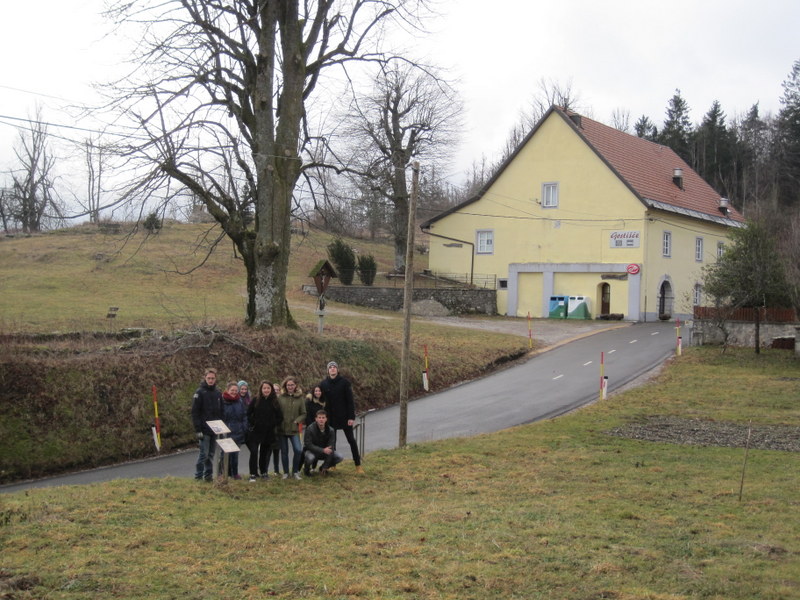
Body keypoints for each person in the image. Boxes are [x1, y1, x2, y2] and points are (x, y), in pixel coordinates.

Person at [319, 361, 364, 473]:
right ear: (328, 370)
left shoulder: (345, 382)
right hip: (331, 418)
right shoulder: (323, 384)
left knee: (351, 440)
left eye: (334, 367)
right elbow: (319, 397)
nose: (332, 368)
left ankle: (358, 465)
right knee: (332, 442)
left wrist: (351, 417)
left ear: (337, 370)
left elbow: (350, 401)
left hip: (344, 417)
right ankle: (332, 464)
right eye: (330, 367)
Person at [246, 381, 282, 482]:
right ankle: (253, 474)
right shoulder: (256, 400)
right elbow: (248, 413)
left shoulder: (275, 402)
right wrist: (254, 422)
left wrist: (272, 424)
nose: (266, 390)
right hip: (255, 431)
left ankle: (264, 472)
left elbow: (280, 417)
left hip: (268, 432)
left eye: (268, 388)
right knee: (254, 452)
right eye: (264, 388)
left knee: (264, 453)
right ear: (261, 389)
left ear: (271, 390)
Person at [191, 368, 223, 481]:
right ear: (205, 378)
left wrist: (221, 426)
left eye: (212, 378)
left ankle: (208, 475)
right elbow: (195, 412)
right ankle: (198, 476)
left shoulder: (218, 393)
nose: (210, 380)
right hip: (204, 429)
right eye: (209, 378)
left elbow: (221, 411)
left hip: (215, 429)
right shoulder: (199, 392)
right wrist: (198, 429)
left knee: (211, 454)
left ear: (215, 379)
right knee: (203, 454)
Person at [276, 376, 306, 480]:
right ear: (285, 386)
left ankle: (295, 471)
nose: (290, 387)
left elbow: (303, 413)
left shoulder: (300, 398)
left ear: (295, 386)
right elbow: (276, 412)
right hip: (282, 429)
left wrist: (297, 421)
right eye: (288, 385)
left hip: (294, 429)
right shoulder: (280, 398)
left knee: (298, 450)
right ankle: (285, 472)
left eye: (292, 385)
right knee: (284, 452)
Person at [219, 381, 247, 480]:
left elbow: (244, 415)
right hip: (226, 432)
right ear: (227, 390)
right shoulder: (222, 401)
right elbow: (219, 416)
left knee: (235, 455)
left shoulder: (239, 401)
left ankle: (234, 473)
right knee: (225, 455)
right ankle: (223, 473)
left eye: (236, 390)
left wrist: (244, 427)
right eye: (232, 390)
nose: (234, 392)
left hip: (238, 432)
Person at [303, 410, 343, 476]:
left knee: (339, 457)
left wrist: (325, 466)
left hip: (325, 452)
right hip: (313, 451)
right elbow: (308, 444)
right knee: (310, 458)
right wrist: (322, 450)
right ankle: (306, 470)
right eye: (319, 417)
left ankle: (322, 468)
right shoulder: (309, 429)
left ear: (326, 419)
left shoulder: (331, 430)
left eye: (323, 417)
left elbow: (331, 448)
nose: (321, 419)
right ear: (316, 419)